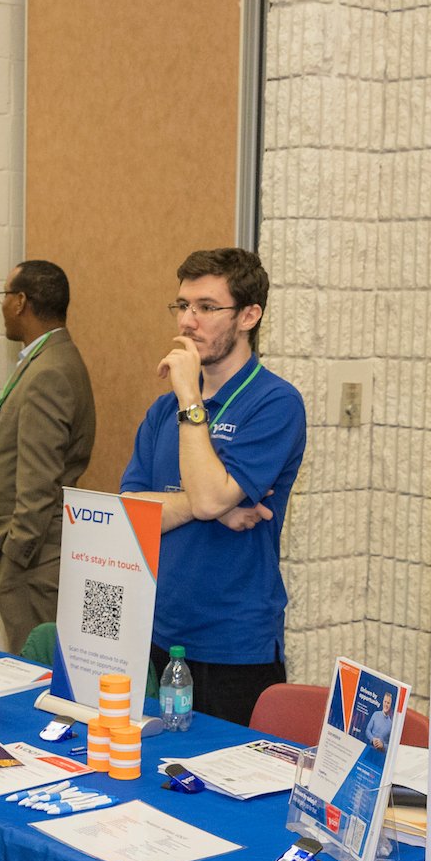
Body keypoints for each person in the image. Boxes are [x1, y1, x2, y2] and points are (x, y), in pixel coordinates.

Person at [119, 247, 308, 725]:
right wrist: (212, 506)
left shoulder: (276, 403)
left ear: (249, 315)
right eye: (182, 306)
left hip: (234, 646)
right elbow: (130, 511)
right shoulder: (162, 412)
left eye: (206, 307)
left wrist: (189, 396)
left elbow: (205, 496)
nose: (187, 321)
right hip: (160, 631)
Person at [0, 259, 94, 652]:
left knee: (36, 668)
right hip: (35, 550)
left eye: (5, 296)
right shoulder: (46, 359)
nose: (2, 306)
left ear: (21, 302)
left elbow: (40, 481)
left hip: (35, 558)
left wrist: (17, 555)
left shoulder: (49, 372)